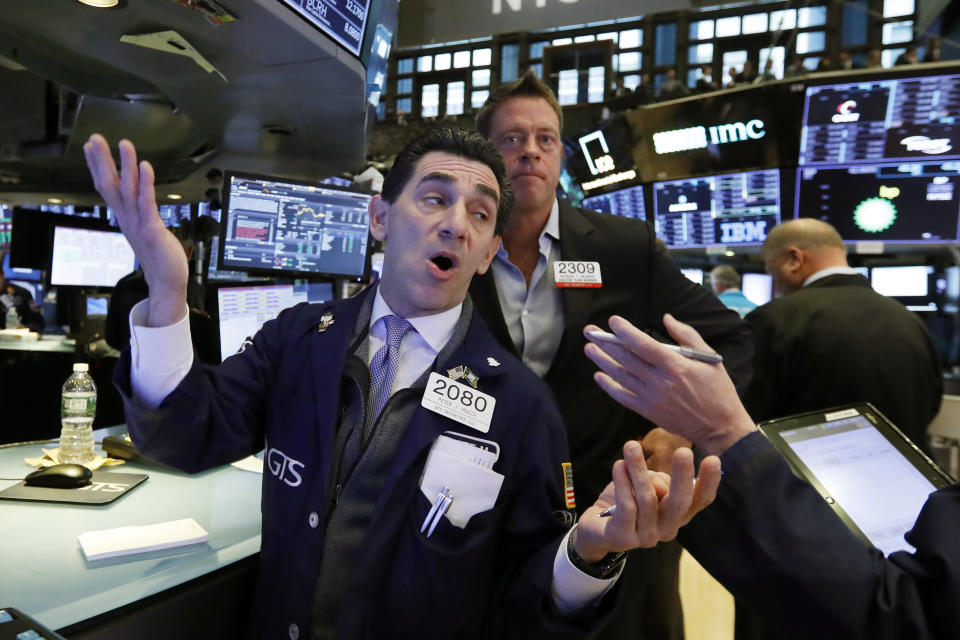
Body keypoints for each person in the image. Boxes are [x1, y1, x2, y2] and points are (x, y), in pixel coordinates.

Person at [83, 128, 722, 640]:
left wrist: (586, 553)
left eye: (479, 214)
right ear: (381, 218)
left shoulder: (522, 409)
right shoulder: (298, 339)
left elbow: (526, 601)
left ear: (487, 252)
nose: (456, 225)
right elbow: (187, 434)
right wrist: (166, 294)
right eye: (435, 198)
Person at [472, 70, 753, 640]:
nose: (530, 151)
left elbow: (731, 342)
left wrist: (682, 430)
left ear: (560, 153)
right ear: (486, 155)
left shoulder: (623, 250)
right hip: (487, 511)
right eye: (512, 139)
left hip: (618, 504)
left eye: (545, 138)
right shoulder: (456, 243)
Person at [581, 312, 960, 640]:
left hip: (805, 544)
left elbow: (898, 618)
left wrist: (723, 430)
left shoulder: (777, 322)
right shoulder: (909, 321)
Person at [745, 219, 942, 453]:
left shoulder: (775, 319)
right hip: (911, 478)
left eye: (771, 270)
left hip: (809, 482)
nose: (774, 283)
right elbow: (929, 404)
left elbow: (747, 417)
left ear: (794, 259)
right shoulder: (909, 319)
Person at [104, 218, 219, 364]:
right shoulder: (194, 290)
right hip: (183, 377)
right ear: (190, 252)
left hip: (131, 375)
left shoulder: (124, 284)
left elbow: (112, 339)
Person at [0, 260, 44, 333]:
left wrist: (26, 328)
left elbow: (38, 321)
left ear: (2, 275)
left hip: (19, 340)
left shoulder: (23, 293)